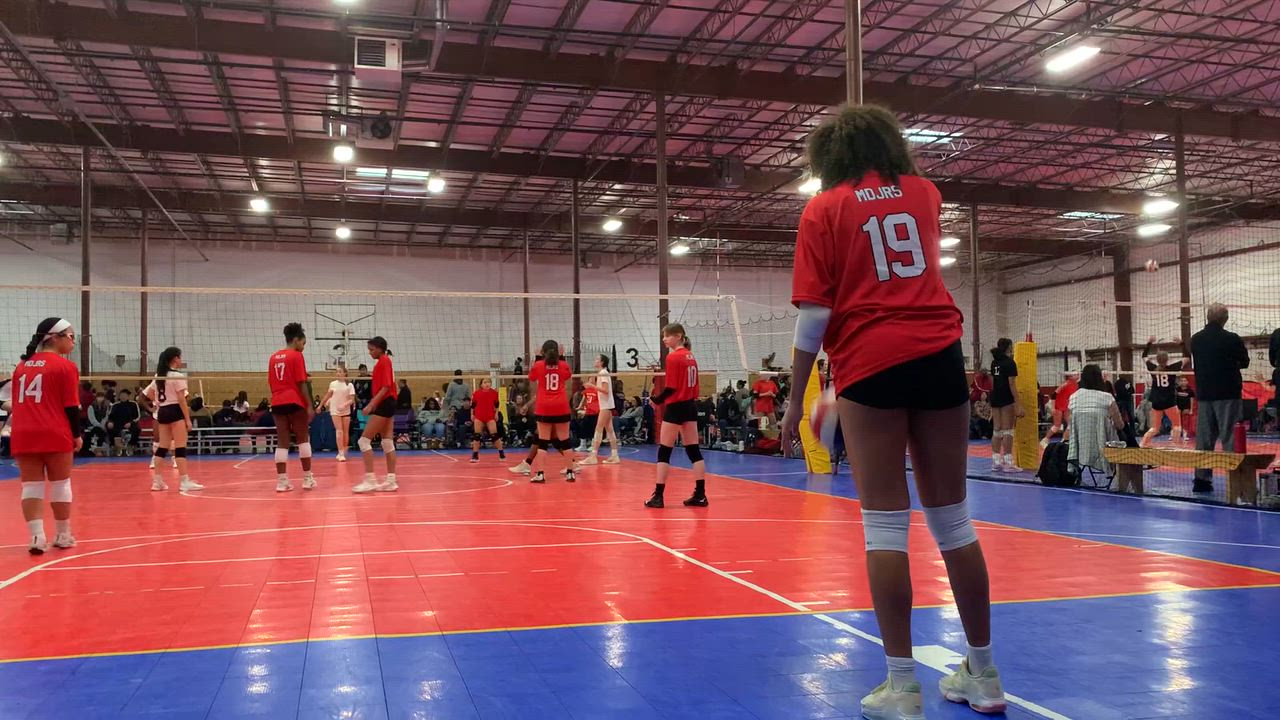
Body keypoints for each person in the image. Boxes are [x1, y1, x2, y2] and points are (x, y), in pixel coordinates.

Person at [778, 104, 1005, 719]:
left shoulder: (823, 209)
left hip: (870, 361)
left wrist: (797, 399)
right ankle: (984, 674)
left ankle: (902, 687)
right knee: (954, 523)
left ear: (828, 156)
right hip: (939, 354)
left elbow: (815, 315)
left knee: (884, 528)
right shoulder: (926, 194)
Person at [9, 317, 81, 553]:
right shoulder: (66, 367)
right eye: (71, 336)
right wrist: (77, 435)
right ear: (55, 338)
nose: (73, 341)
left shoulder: (21, 367)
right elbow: (71, 407)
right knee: (61, 483)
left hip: (23, 433)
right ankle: (62, 534)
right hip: (54, 431)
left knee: (31, 486)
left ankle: (36, 537)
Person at [644, 323, 707, 508]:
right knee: (693, 450)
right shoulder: (691, 356)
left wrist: (656, 400)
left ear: (678, 336)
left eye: (667, 336)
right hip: (690, 406)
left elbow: (671, 387)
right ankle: (700, 494)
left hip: (676, 407)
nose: (664, 339)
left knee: (664, 450)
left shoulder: (673, 357)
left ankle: (658, 496)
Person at [1190, 303, 1250, 493]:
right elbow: (1245, 362)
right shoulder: (1231, 338)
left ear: (1208, 317)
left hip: (1205, 394)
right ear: (1225, 319)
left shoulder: (1196, 339)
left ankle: (1201, 480)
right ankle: (1235, 478)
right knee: (1230, 436)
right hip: (1227, 393)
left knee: (1204, 439)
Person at [142, 347, 203, 492]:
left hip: (163, 411)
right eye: (180, 357)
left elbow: (148, 394)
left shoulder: (159, 375)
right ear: (175, 358)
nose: (181, 360)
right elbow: (182, 400)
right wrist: (188, 420)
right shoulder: (177, 375)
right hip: (175, 410)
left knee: (162, 447)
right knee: (180, 447)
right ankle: (184, 481)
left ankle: (157, 482)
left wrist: (158, 402)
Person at [267, 323, 316, 492]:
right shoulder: (296, 356)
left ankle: (282, 482)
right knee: (303, 438)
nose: (303, 347)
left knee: (282, 441)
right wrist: (309, 405)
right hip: (294, 400)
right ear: (296, 340)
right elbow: (301, 383)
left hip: (277, 401)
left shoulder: (273, 357)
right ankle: (307, 478)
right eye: (303, 343)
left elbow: (271, 383)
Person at [526, 340, 575, 484]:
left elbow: (531, 377)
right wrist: (562, 357)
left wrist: (537, 358)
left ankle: (541, 474)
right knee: (565, 441)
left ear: (543, 352)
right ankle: (570, 473)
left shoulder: (539, 365)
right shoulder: (563, 365)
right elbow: (567, 375)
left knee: (543, 442)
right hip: (561, 406)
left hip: (544, 407)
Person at [354, 336, 399, 493]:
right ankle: (391, 481)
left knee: (363, 441)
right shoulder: (383, 361)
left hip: (384, 403)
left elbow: (386, 387)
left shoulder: (384, 361)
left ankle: (370, 480)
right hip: (388, 403)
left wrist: (371, 404)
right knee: (387, 442)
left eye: (372, 349)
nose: (370, 352)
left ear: (380, 349)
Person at [1067, 364, 1126, 478]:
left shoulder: (1073, 397)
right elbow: (1119, 425)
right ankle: (1127, 478)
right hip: (1105, 447)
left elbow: (1071, 423)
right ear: (1099, 378)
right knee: (1126, 435)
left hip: (1080, 448)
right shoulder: (1107, 397)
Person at [1140, 336, 1189, 446]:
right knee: (1177, 425)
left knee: (1155, 428)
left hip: (1157, 402)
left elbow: (1144, 356)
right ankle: (1175, 446)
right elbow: (1187, 357)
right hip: (1169, 401)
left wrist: (1149, 343)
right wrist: (1181, 343)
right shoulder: (1173, 367)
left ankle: (1143, 443)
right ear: (1167, 359)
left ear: (1157, 359)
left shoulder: (1152, 368)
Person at [580, 354, 622, 466]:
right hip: (607, 405)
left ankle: (593, 456)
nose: (595, 361)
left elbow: (605, 390)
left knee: (598, 429)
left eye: (597, 359)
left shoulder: (603, 373)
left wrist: (591, 386)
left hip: (605, 406)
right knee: (610, 430)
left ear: (602, 362)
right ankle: (615, 455)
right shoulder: (603, 372)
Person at [988, 338, 1023, 471]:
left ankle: (996, 461)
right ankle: (1008, 462)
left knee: (997, 429)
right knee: (1008, 430)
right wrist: (1017, 403)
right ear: (1009, 347)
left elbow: (993, 382)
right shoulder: (1010, 363)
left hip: (995, 396)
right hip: (1006, 397)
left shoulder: (994, 362)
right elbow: (1011, 383)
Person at [318, 365, 356, 461]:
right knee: (339, 430)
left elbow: (352, 399)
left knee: (345, 431)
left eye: (340, 372)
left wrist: (344, 405)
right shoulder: (333, 384)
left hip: (345, 410)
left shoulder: (349, 385)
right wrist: (321, 405)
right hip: (335, 410)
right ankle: (341, 452)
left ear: (345, 373)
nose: (338, 374)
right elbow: (328, 395)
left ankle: (344, 450)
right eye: (337, 372)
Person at [470, 378, 504, 463]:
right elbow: (473, 405)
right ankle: (475, 455)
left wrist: (496, 414)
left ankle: (501, 453)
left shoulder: (494, 393)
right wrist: (472, 414)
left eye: (489, 382)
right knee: (477, 436)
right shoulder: (476, 393)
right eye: (485, 382)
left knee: (494, 436)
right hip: (479, 416)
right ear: (481, 384)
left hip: (490, 416)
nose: (487, 384)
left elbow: (496, 404)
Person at [106, 388, 142, 456]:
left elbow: (137, 416)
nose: (123, 397)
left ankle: (131, 445)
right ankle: (114, 446)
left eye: (125, 395)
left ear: (128, 396)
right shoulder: (115, 405)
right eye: (122, 395)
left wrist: (131, 423)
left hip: (130, 422)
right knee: (109, 427)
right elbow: (110, 416)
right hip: (117, 423)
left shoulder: (133, 404)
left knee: (137, 429)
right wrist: (110, 422)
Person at [574, 380, 599, 453]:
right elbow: (583, 399)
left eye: (592, 381)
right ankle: (583, 445)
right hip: (588, 412)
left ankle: (593, 445)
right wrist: (579, 407)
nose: (590, 383)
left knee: (594, 429)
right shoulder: (586, 391)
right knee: (583, 427)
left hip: (595, 412)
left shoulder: (597, 391)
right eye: (589, 381)